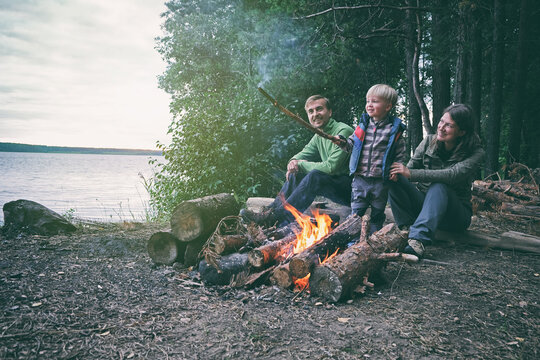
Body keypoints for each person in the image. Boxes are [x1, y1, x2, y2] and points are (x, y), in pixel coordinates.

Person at [388, 103, 485, 258]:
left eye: (449, 126)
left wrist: (411, 173)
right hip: (425, 206)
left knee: (440, 185)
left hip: (455, 217)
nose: (441, 127)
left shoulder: (476, 152)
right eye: (441, 122)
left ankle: (417, 241)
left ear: (462, 131)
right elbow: (409, 169)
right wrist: (397, 174)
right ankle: (405, 229)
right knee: (394, 177)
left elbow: (452, 175)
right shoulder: (429, 142)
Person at [241, 95, 354, 226]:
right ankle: (271, 212)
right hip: (337, 185)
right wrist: (293, 162)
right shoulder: (319, 135)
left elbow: (331, 167)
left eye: (319, 109)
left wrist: (300, 164)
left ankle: (278, 218)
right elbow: (302, 154)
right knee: (297, 173)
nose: (315, 114)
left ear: (330, 112)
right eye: (311, 112)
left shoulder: (343, 131)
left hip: (353, 190)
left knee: (315, 176)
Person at [333, 84, 406, 234]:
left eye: (375, 101)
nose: (369, 105)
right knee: (356, 212)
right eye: (368, 101)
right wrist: (342, 142)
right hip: (360, 179)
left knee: (378, 212)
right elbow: (351, 145)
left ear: (388, 106)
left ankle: (373, 238)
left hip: (380, 181)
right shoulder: (362, 127)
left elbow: (399, 153)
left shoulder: (393, 130)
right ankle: (351, 238)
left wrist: (396, 170)